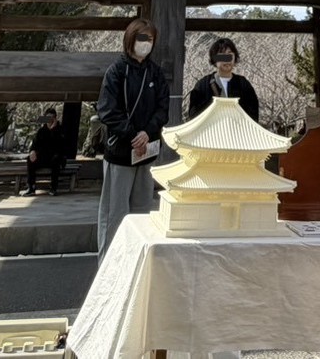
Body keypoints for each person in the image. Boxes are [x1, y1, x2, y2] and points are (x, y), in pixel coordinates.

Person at [95, 19, 169, 259]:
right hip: (120, 152)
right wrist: (132, 134)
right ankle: (109, 264)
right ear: (130, 39)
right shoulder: (117, 71)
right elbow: (107, 110)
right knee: (114, 213)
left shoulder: (155, 72)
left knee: (142, 212)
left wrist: (147, 132)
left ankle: (136, 261)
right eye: (141, 38)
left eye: (150, 39)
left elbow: (163, 109)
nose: (146, 43)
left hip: (147, 151)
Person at [186, 37, 260, 123]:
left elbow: (253, 115)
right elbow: (194, 116)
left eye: (230, 55)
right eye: (222, 55)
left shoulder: (243, 84)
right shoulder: (203, 85)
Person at [21, 107, 65, 196]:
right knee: (30, 160)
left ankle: (53, 188)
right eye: (48, 117)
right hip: (44, 157)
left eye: (52, 117)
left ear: (55, 118)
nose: (50, 120)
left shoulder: (60, 130)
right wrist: (32, 151)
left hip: (55, 157)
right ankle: (31, 187)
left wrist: (52, 130)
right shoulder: (42, 131)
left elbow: (59, 145)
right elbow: (36, 143)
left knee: (56, 160)